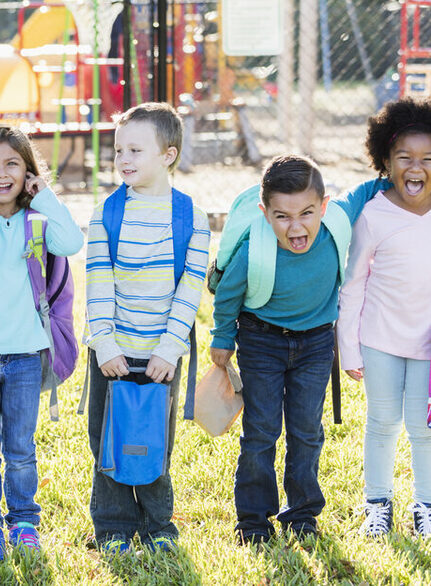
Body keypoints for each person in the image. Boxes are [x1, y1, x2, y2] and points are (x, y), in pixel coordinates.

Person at [210, 155, 379, 545]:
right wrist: (222, 338)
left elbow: (366, 190)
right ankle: (253, 520)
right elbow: (228, 295)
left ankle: (302, 514)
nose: (296, 225)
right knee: (261, 432)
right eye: (282, 216)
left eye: (306, 213)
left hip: (316, 343)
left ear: (324, 205)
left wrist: (394, 176)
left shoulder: (336, 221)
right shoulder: (256, 246)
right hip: (261, 340)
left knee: (306, 431)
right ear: (265, 213)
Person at [0, 123, 83, 563]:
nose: (1, 173)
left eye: (12, 164)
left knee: (21, 449)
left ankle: (24, 520)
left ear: (28, 172)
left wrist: (42, 195)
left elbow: (72, 241)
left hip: (26, 353)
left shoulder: (36, 221)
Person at [84, 102, 210, 554]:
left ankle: (158, 526)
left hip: (160, 356)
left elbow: (190, 289)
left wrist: (169, 349)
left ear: (168, 155)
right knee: (108, 443)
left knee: (154, 443)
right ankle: (113, 526)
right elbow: (97, 281)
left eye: (135, 150)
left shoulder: (190, 217)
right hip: (113, 352)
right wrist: (104, 344)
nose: (124, 160)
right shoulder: (106, 214)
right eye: (119, 150)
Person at [337, 98, 431, 539]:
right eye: (405, 158)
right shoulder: (374, 214)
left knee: (424, 427)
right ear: (386, 163)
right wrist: (349, 347)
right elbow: (353, 283)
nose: (417, 167)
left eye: (428, 159)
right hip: (380, 339)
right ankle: (378, 504)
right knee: (382, 422)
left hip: (428, 343)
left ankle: (426, 506)